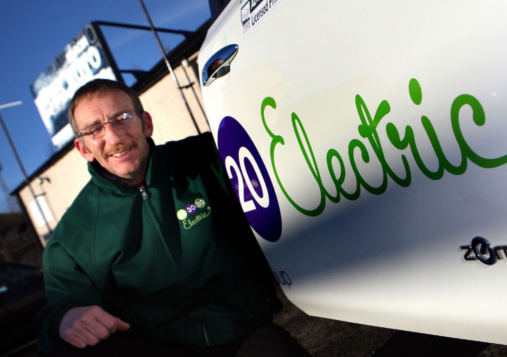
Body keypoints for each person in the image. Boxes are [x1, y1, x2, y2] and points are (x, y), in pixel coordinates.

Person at [37, 79, 310, 356]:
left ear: (146, 123)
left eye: (122, 118)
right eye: (95, 129)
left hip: (247, 330)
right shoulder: (71, 238)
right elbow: (59, 320)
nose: (115, 137)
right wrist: (63, 319)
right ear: (83, 149)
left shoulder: (207, 157)